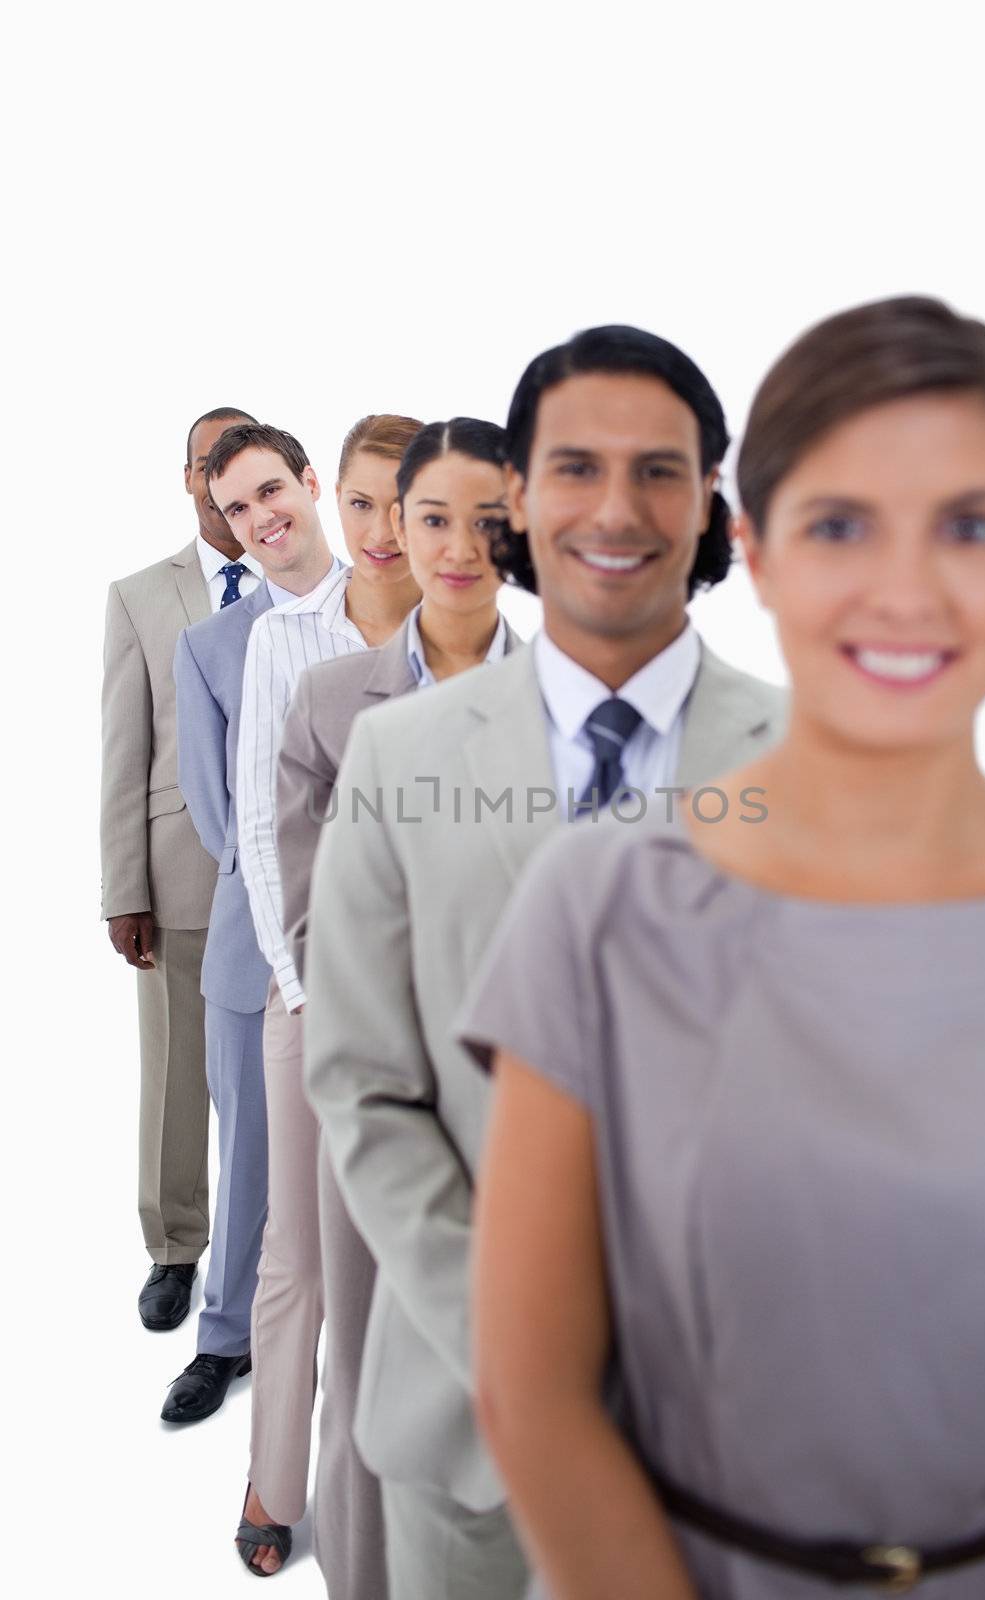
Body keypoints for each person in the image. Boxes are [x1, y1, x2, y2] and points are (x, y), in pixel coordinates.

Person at [460, 297, 985, 1600]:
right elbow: (531, 1390)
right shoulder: (600, 903)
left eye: (965, 526)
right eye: (839, 524)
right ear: (754, 548)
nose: (902, 589)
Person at [303, 327, 786, 1600]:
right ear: (516, 499)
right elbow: (364, 1081)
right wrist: (517, 1346)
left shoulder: (813, 763)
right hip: (471, 1436)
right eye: (573, 467)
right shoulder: (399, 760)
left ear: (711, 503)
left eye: (660, 471)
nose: (616, 509)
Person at [249, 417, 522, 1592]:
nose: (457, 546)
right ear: (393, 531)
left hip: (529, 1085)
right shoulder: (325, 699)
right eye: (430, 517)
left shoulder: (576, 696)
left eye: (487, 521)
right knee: (362, 1356)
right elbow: (312, 912)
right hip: (380, 1083)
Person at [233, 411, 423, 1578]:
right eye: (360, 501)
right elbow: (263, 823)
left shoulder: (474, 640)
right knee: (299, 1256)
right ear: (334, 503)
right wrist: (304, 985)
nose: (381, 526)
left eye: (405, 502)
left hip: (438, 999)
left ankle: (398, 1484)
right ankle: (273, 1477)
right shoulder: (285, 644)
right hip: (311, 989)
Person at [165, 422, 334, 1430]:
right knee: (252, 1154)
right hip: (253, 940)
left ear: (310, 484)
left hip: (389, 931)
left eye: (274, 491)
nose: (263, 517)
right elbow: (215, 806)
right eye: (237, 508)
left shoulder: (393, 608)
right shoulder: (210, 646)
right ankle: (223, 1337)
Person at [101, 404, 257, 1332]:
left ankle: (266, 1241)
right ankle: (174, 1247)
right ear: (190, 478)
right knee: (177, 1072)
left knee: (273, 1072)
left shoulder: (304, 581)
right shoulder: (140, 595)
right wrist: (125, 889)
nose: (222, 483)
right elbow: (123, 751)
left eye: (241, 467)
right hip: (179, 868)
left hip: (293, 866)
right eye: (208, 466)